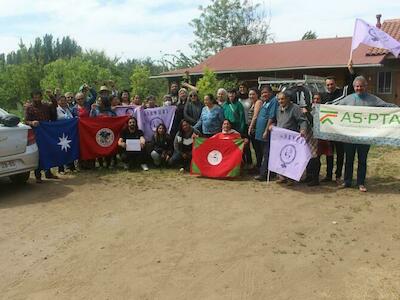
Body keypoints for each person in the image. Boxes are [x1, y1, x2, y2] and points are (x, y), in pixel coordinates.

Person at [337, 76, 397, 192]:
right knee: (348, 160)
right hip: (350, 136)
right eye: (357, 86)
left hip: (365, 137)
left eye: (361, 86)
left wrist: (397, 109)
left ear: (366, 86)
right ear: (354, 87)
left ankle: (361, 183)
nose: (359, 88)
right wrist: (320, 107)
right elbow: (333, 107)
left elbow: (386, 106)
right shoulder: (347, 99)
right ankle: (347, 181)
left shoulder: (373, 99)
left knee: (362, 160)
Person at [320, 60, 356, 183]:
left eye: (331, 84)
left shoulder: (342, 93)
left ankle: (338, 176)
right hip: (328, 130)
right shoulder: (323, 96)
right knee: (329, 154)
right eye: (328, 85)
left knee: (340, 154)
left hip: (340, 130)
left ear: (335, 84)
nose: (330, 86)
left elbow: (351, 86)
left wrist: (351, 71)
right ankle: (328, 175)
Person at [273, 91, 308, 185]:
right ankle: (281, 176)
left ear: (288, 99)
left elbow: (302, 121)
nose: (280, 101)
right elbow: (277, 121)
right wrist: (273, 126)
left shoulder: (295, 108)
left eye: (282, 99)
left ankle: (290, 178)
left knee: (290, 158)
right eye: (279, 99)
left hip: (291, 139)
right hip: (280, 138)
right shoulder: (278, 108)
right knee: (281, 157)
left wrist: (303, 130)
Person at [24, 90, 58, 183]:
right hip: (36, 134)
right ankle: (38, 176)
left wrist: (51, 96)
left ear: (41, 97)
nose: (37, 98)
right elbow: (26, 121)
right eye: (35, 96)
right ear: (32, 97)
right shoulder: (29, 108)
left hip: (46, 133)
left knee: (48, 151)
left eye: (38, 96)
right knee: (39, 153)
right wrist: (32, 122)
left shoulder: (45, 105)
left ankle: (48, 173)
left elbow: (55, 105)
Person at [254, 86, 279, 181]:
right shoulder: (265, 102)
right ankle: (271, 172)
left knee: (267, 153)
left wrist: (266, 131)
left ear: (271, 92)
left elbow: (271, 117)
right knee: (264, 152)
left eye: (266, 92)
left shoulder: (274, 101)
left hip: (267, 132)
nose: (264, 94)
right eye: (262, 93)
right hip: (260, 132)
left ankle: (263, 174)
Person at [247, 88, 264, 169]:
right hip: (253, 128)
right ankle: (257, 165)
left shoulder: (258, 102)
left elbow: (255, 116)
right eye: (250, 94)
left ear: (257, 95)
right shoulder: (252, 103)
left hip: (256, 129)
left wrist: (250, 127)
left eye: (253, 94)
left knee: (258, 149)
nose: (251, 96)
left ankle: (259, 166)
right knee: (255, 148)